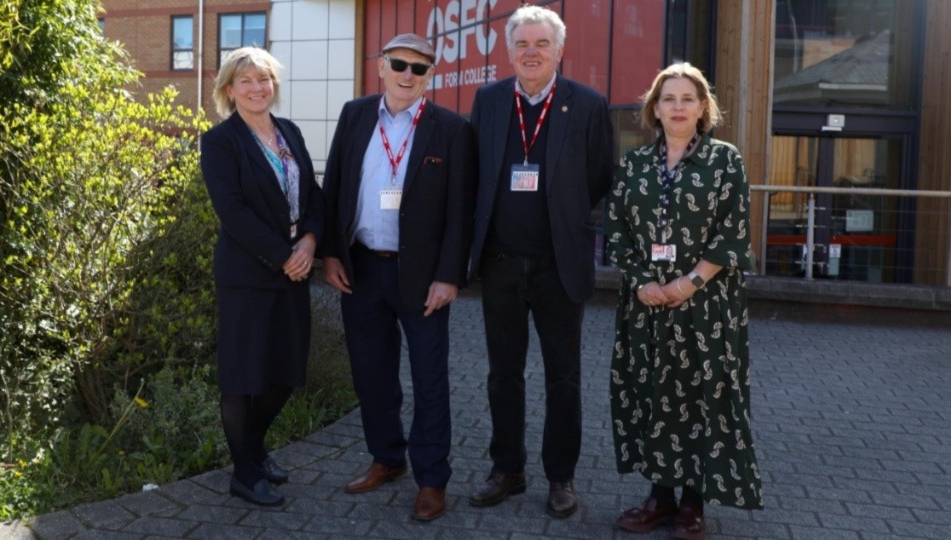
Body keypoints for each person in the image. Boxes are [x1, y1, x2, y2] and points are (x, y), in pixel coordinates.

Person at [319, 33, 475, 522]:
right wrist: (330, 253)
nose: (409, 75)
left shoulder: (451, 129)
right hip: (361, 267)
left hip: (422, 277)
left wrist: (449, 276)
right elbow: (335, 186)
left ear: (431, 77)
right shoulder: (355, 114)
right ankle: (387, 458)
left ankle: (431, 478)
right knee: (372, 374)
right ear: (381, 67)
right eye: (400, 65)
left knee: (430, 379)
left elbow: (461, 212)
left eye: (420, 68)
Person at [466, 5, 614, 518]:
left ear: (559, 50)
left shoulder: (588, 105)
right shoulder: (486, 101)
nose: (531, 53)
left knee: (563, 377)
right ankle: (507, 469)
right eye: (522, 44)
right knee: (502, 374)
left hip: (559, 265)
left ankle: (561, 477)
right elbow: (474, 173)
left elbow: (599, 177)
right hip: (501, 263)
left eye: (541, 44)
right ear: (508, 51)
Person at [605, 62, 763, 540]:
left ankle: (693, 504)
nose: (676, 107)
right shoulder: (634, 163)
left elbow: (733, 234)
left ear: (702, 108)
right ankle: (660, 497)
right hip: (646, 306)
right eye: (667, 98)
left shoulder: (724, 159)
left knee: (701, 397)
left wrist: (688, 282)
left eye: (686, 99)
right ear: (655, 108)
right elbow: (616, 232)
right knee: (652, 394)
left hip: (706, 307)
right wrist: (640, 283)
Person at [200, 47, 323, 507]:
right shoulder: (220, 142)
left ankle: (251, 449)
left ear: (274, 85)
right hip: (247, 277)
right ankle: (245, 473)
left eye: (264, 79)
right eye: (246, 81)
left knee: (285, 374)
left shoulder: (288, 132)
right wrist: (284, 256)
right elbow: (232, 211)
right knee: (242, 377)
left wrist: (310, 241)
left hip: (293, 270)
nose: (256, 88)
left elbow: (313, 194)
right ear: (230, 90)